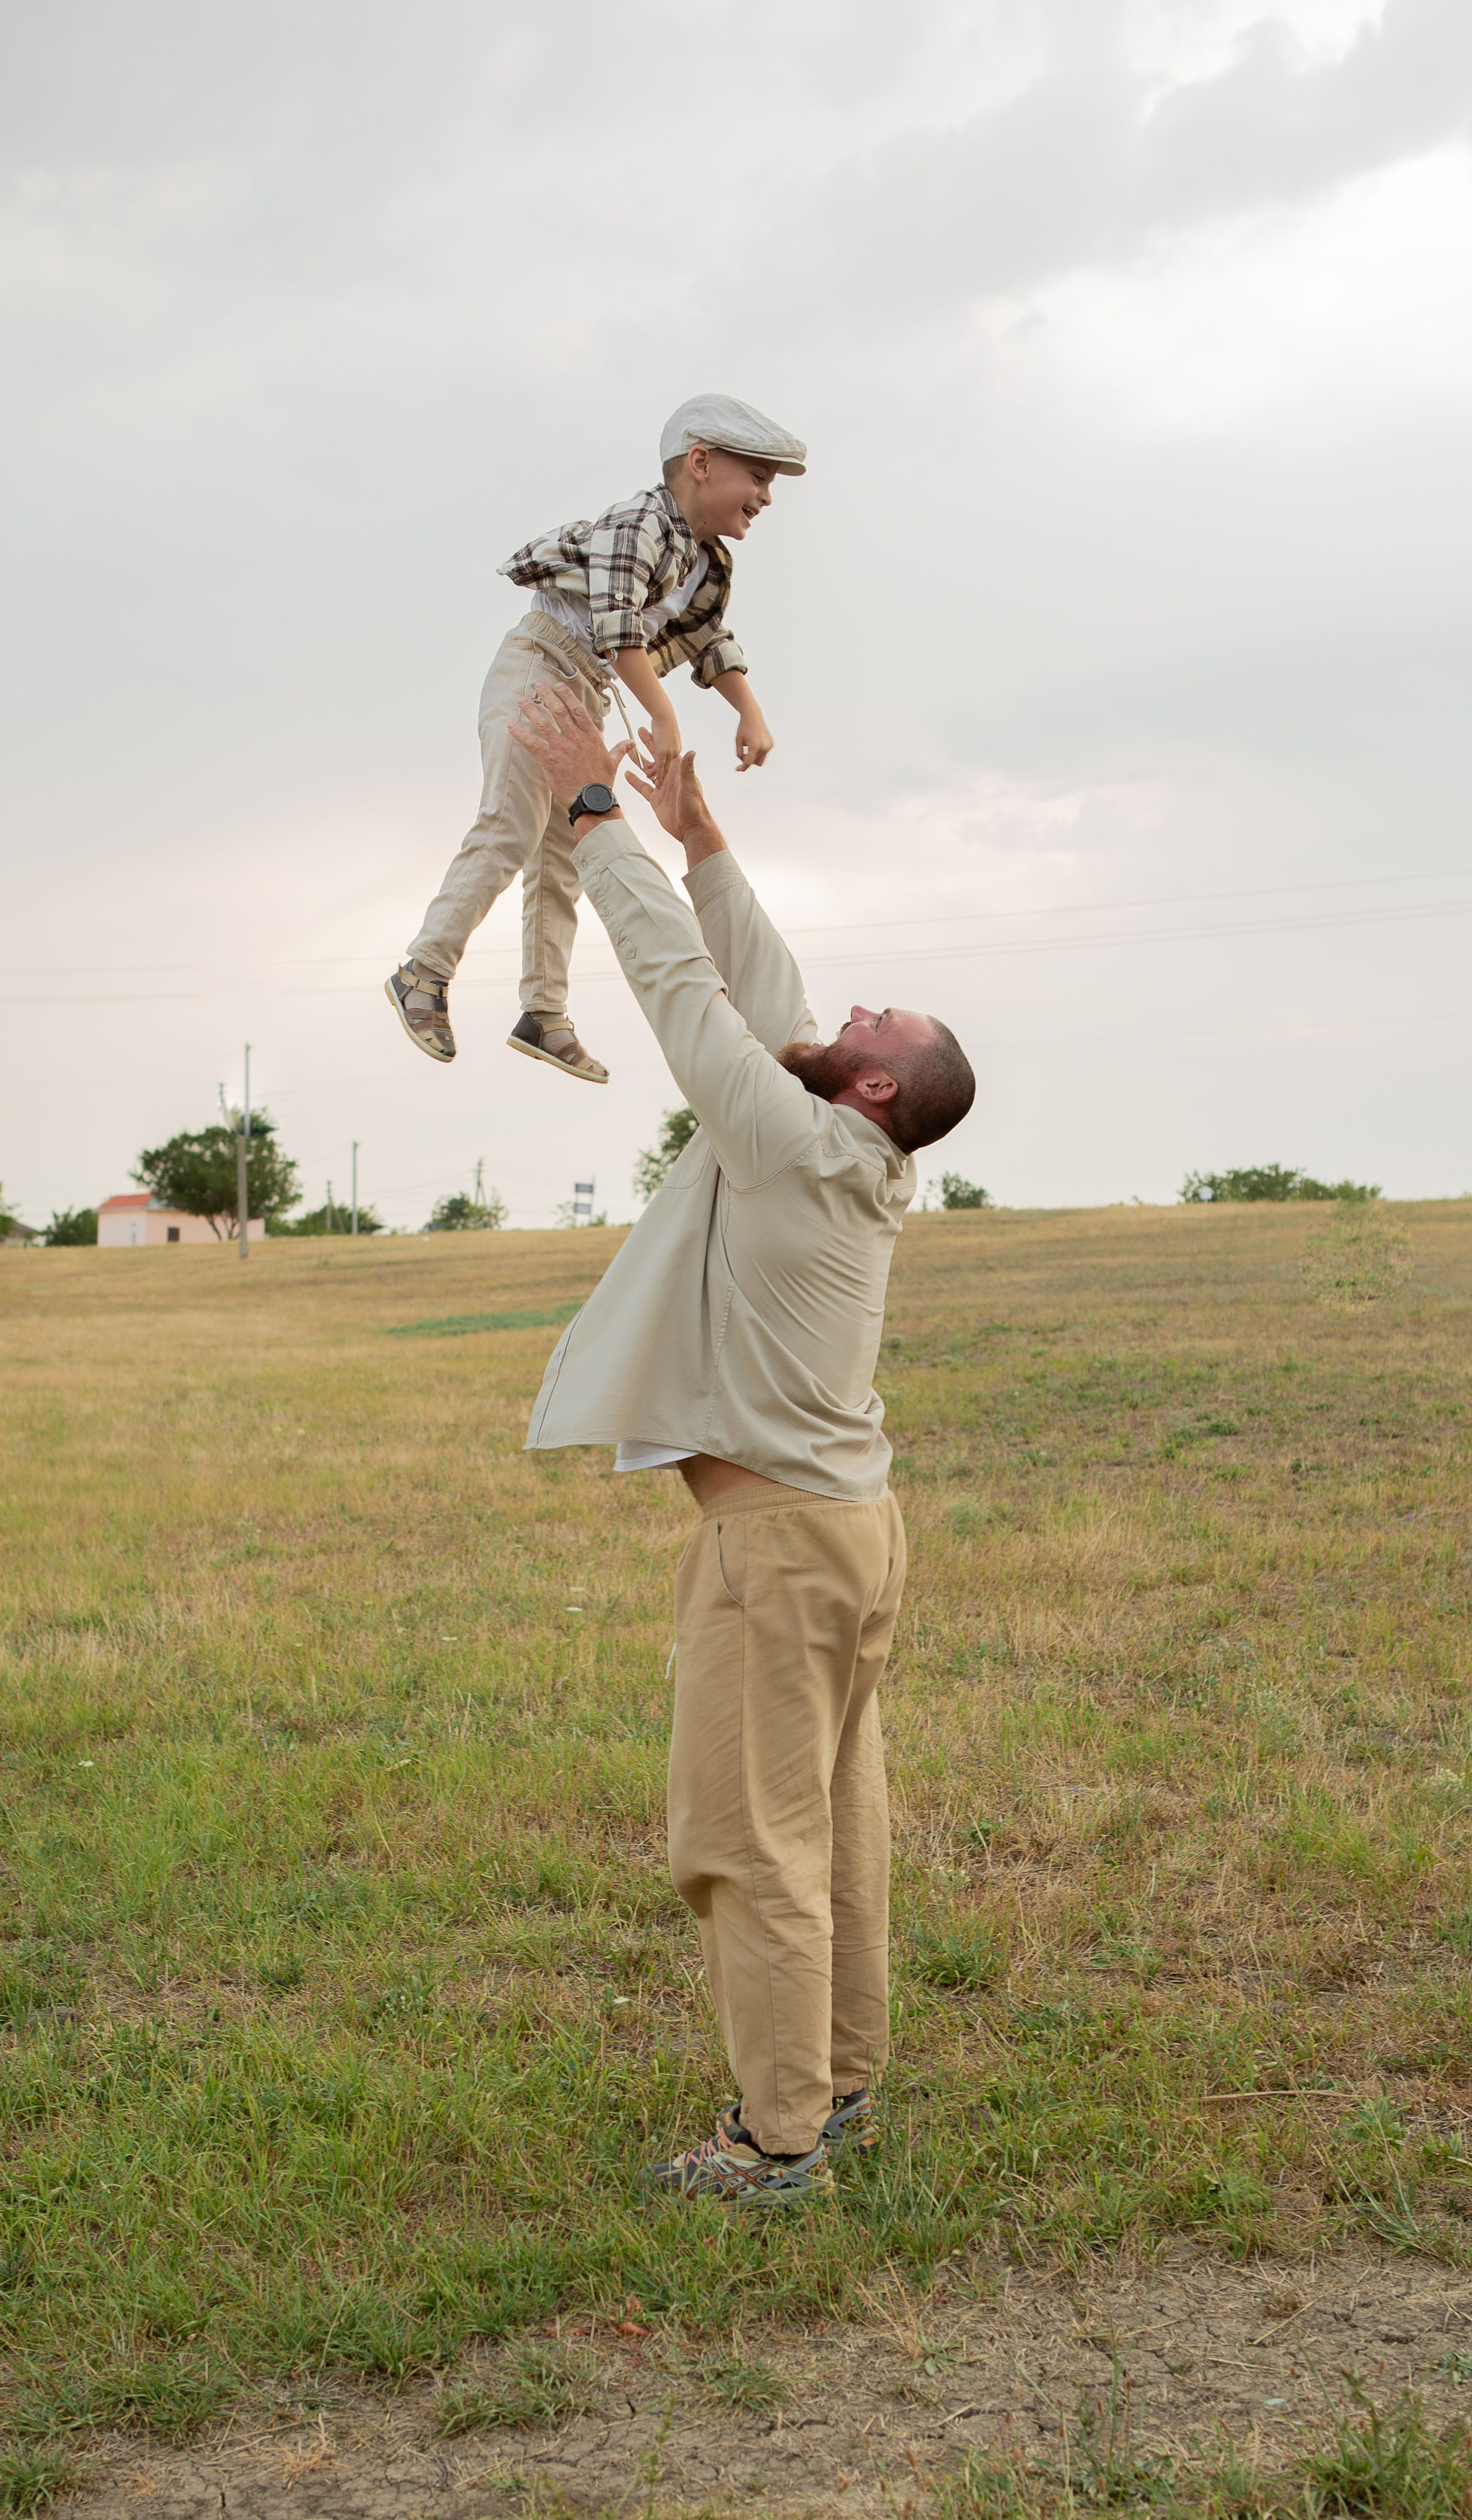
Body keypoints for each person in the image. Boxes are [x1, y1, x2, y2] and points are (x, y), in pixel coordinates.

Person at [511, 682, 976, 2208]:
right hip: (843, 1532)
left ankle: (772, 2143)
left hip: (777, 1549)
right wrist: (701, 835)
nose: (838, 1016)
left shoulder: (787, 1142)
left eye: (862, 1027)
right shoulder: (836, 1139)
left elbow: (685, 1001)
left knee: (744, 1838)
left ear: (869, 1089)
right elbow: (765, 1004)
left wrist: (590, 817)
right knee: (832, 1822)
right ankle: (830, 2086)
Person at [384, 393, 805, 1089]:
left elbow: (707, 640)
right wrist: (663, 717)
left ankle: (543, 1013)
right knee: (512, 824)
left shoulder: (709, 563)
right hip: (541, 664)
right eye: (756, 476)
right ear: (700, 463)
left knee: (565, 852)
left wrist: (747, 710)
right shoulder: (639, 523)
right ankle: (423, 970)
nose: (765, 495)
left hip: (587, 691)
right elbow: (616, 626)